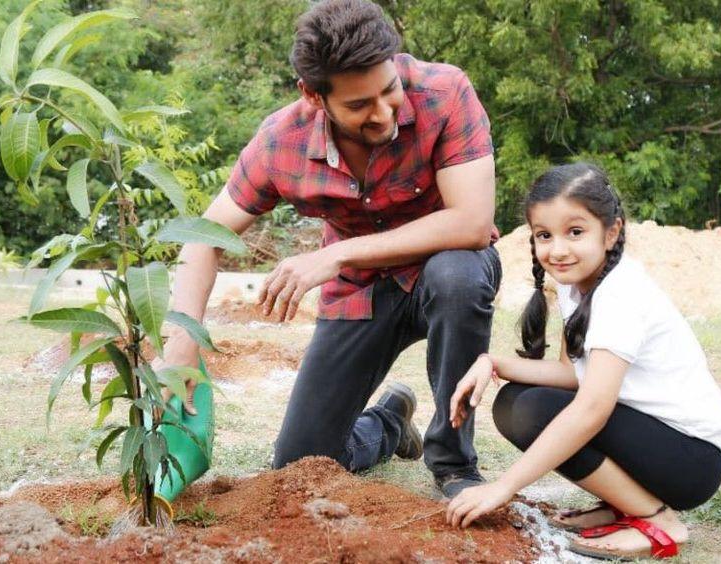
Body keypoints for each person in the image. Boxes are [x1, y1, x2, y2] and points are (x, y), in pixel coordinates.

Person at [155, 0, 501, 498]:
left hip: (442, 273)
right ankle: (386, 423)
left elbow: (472, 223)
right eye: (360, 105)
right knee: (301, 465)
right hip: (360, 293)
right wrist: (183, 340)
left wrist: (336, 254)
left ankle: (453, 463)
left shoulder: (444, 92)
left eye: (389, 90)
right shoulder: (281, 142)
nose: (383, 113)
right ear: (313, 96)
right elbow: (204, 235)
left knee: (457, 277)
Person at [444, 163, 721, 559]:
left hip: (692, 458)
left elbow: (592, 408)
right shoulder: (577, 285)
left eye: (575, 232)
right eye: (544, 235)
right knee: (515, 402)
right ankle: (624, 503)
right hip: (656, 442)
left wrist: (503, 487)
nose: (558, 249)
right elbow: (572, 375)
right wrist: (490, 362)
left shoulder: (619, 294)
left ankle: (659, 519)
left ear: (611, 232)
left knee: (531, 409)